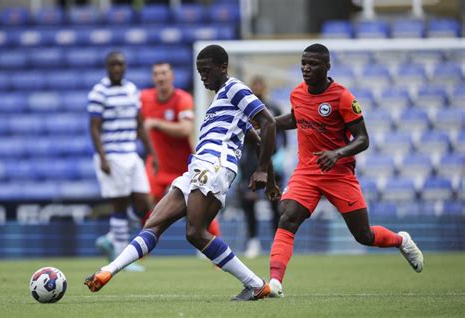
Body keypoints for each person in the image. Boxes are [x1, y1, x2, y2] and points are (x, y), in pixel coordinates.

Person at [85, 44, 280, 301]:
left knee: (196, 233)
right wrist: (271, 180)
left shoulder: (235, 88)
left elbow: (269, 122)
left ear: (223, 67)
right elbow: (255, 140)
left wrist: (264, 171)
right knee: (153, 224)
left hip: (215, 165)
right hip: (198, 166)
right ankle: (107, 271)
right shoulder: (221, 98)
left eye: (206, 71)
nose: (202, 77)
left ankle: (255, 284)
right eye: (199, 72)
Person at [267, 43, 424, 298]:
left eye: (313, 64)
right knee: (287, 217)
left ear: (327, 66)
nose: (306, 68)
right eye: (304, 63)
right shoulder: (297, 93)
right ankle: (275, 283)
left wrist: (337, 153)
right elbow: (297, 119)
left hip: (339, 173)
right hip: (307, 171)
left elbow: (363, 139)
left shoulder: (343, 97)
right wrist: (270, 123)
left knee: (364, 234)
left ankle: (401, 240)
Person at [88, 51, 157, 272]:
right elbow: (94, 128)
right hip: (113, 155)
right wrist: (103, 156)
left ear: (125, 67)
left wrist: (152, 153)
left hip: (131, 154)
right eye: (113, 64)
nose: (117, 67)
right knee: (120, 204)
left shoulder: (131, 90)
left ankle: (110, 239)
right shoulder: (99, 92)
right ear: (107, 67)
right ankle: (119, 256)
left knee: (144, 204)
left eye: (120, 64)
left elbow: (140, 124)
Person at [140, 62, 221, 238]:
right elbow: (137, 123)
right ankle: (139, 254)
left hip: (182, 165)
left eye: (164, 73)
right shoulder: (144, 98)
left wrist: (156, 123)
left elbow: (185, 129)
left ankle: (216, 245)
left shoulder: (182, 99)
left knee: (197, 209)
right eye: (156, 74)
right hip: (157, 164)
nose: (160, 77)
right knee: (143, 203)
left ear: (172, 76)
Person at [238, 76, 287, 258]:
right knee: (248, 202)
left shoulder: (273, 108)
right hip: (250, 162)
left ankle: (278, 242)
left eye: (260, 85)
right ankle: (253, 241)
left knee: (275, 202)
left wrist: (282, 155)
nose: (257, 88)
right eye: (255, 85)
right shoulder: (245, 110)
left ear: (265, 87)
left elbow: (284, 137)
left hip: (272, 160)